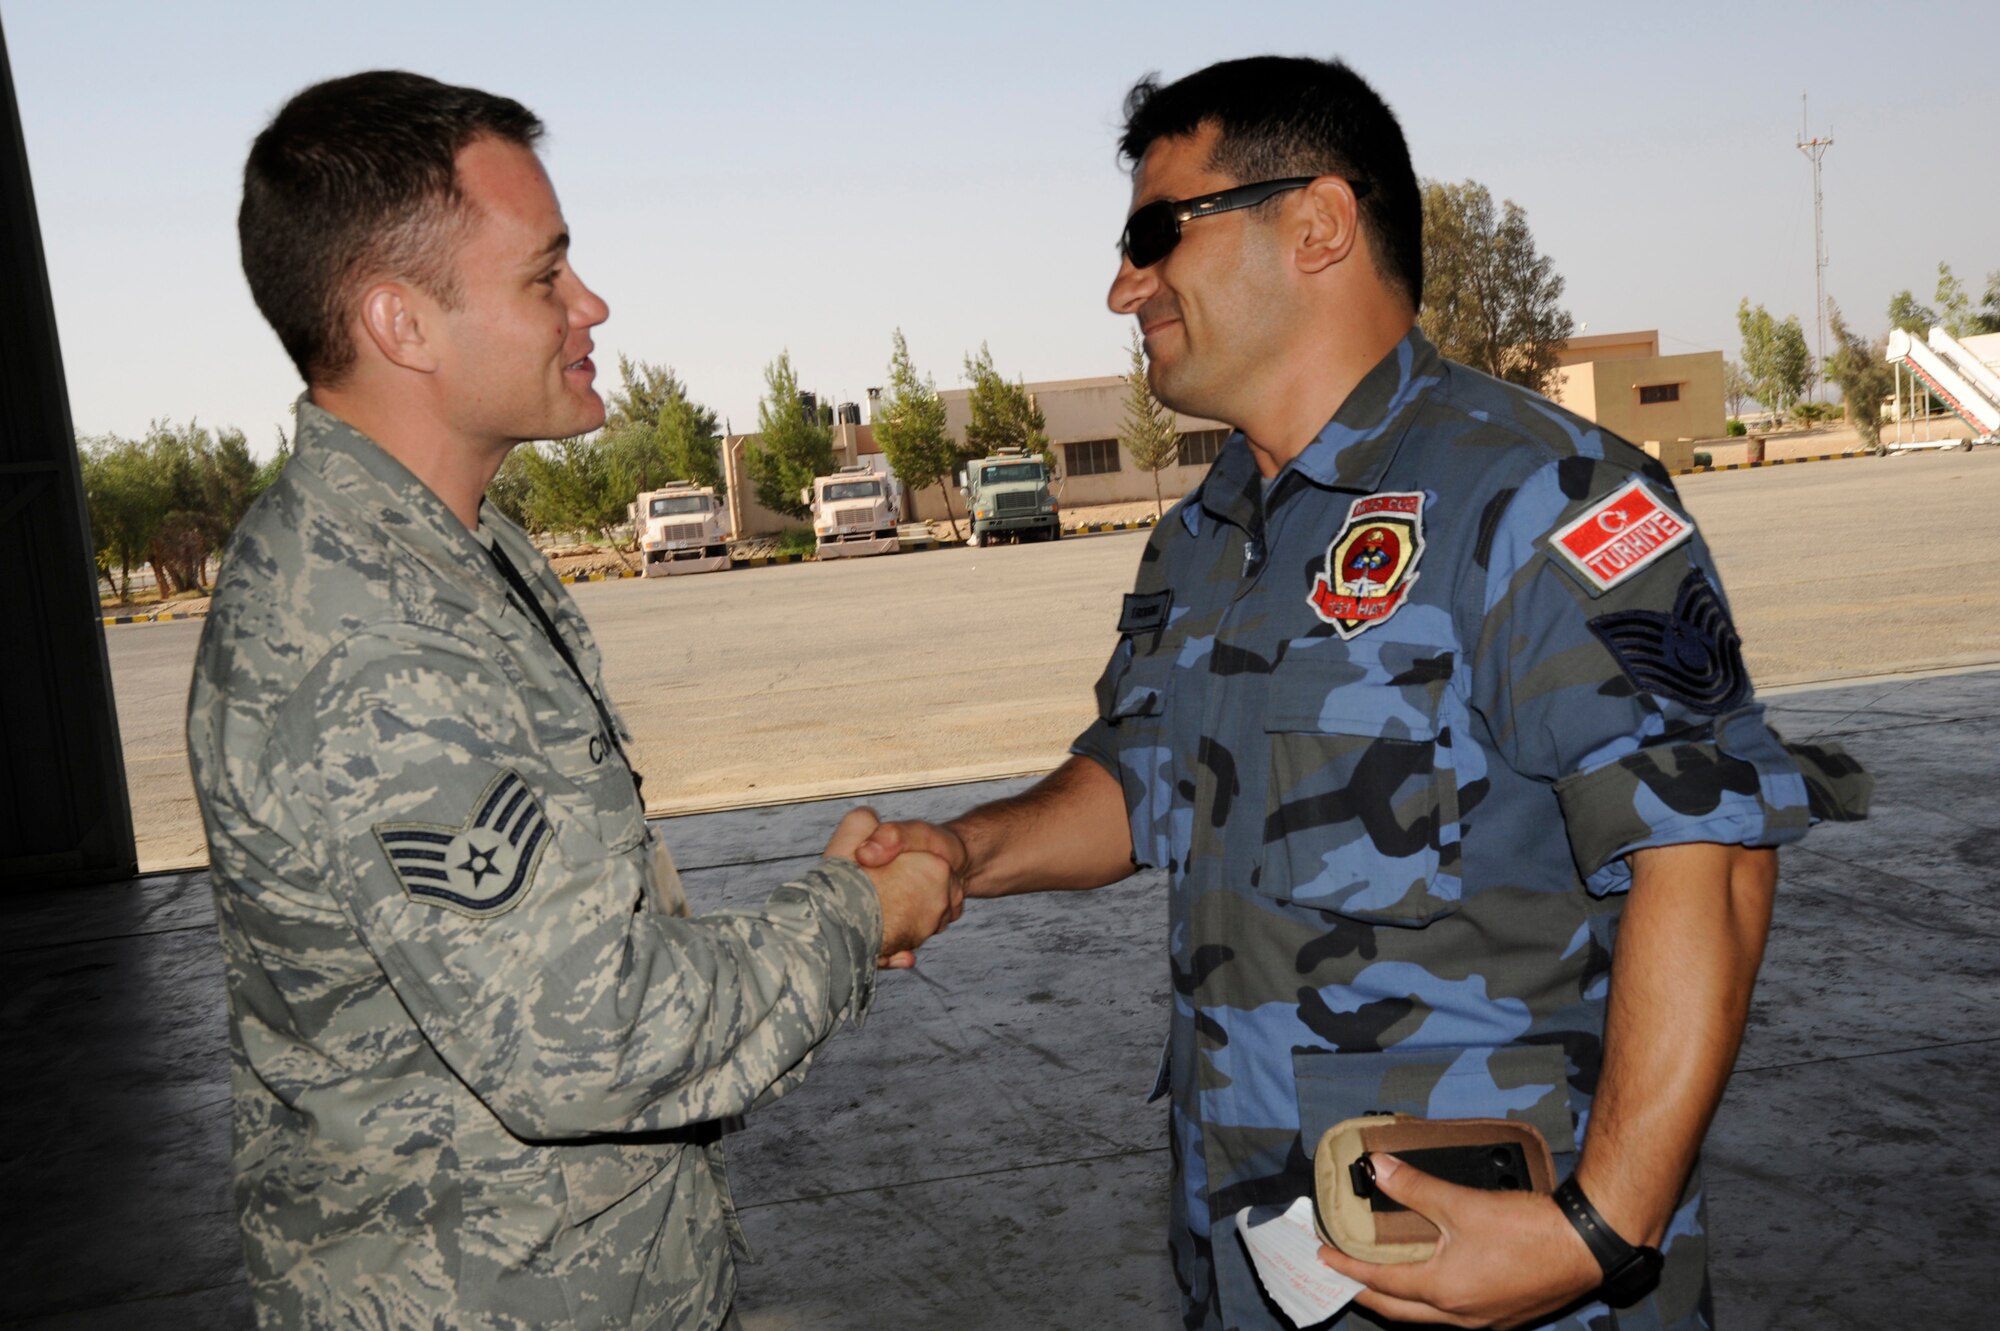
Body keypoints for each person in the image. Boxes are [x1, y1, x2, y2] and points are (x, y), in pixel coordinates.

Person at [858, 56, 1870, 1330]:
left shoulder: (1540, 495)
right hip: (1257, 1247)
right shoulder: (1206, 533)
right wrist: (957, 853)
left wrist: (1598, 1228)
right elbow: (1142, 777)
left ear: (1318, 224)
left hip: (1489, 1261)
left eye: (1152, 234)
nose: (1123, 284)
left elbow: (1706, 847)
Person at [187, 70, 955, 1330]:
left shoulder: (451, 549)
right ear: (402, 323)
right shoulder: (371, 636)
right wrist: (853, 916)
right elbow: (591, 1040)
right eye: (545, 275)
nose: (589, 305)